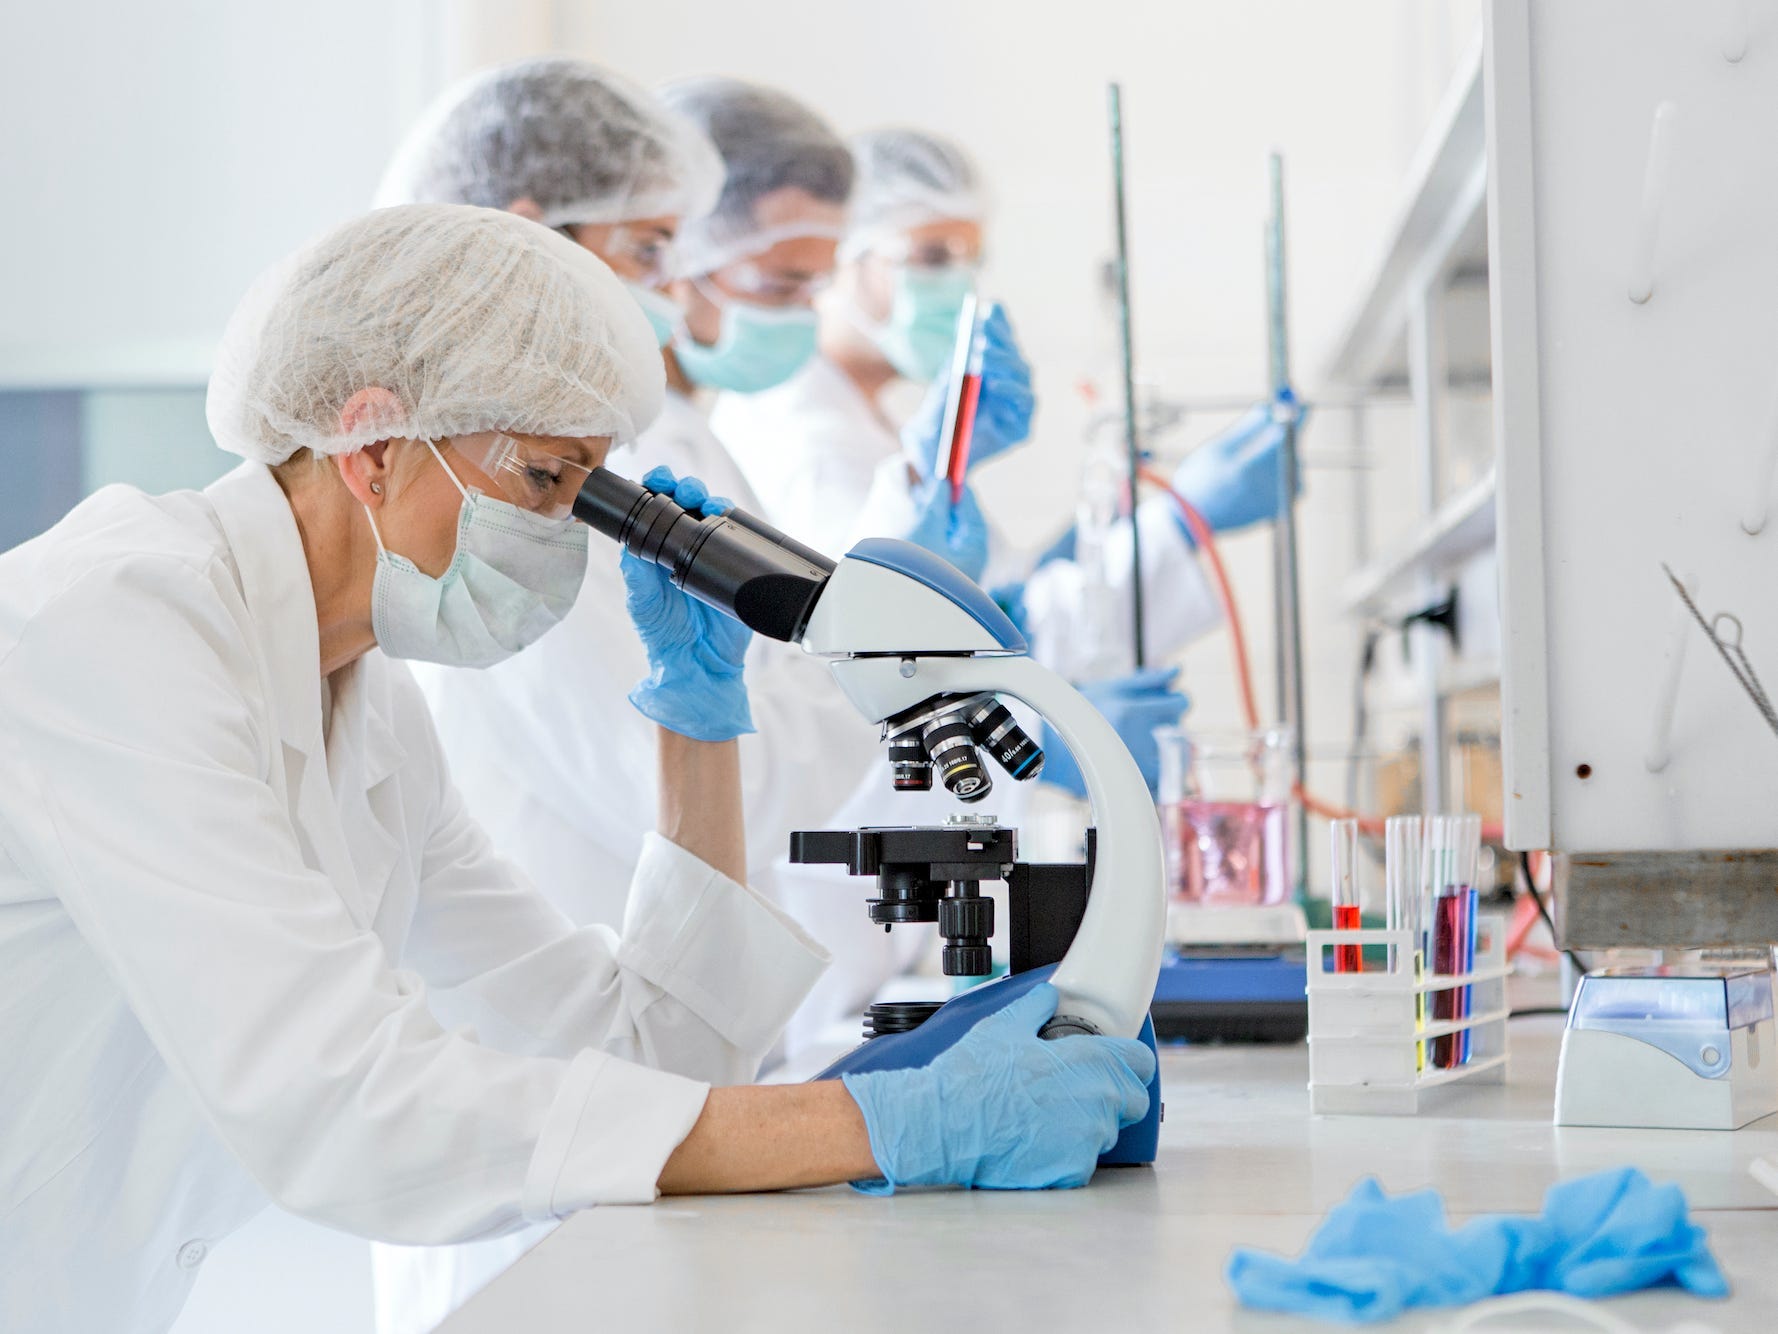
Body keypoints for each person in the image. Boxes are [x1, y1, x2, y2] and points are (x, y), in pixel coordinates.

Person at [0, 204, 1155, 1334]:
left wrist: (697, 719)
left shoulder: (368, 705)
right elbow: (343, 1103)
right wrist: (886, 1123)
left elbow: (649, 1053)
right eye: (549, 481)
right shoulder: (112, 626)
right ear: (374, 443)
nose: (565, 538)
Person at [712, 127, 1299, 778]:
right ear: (844, 257)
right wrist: (1188, 519)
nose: (958, 284)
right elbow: (874, 678)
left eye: (970, 260)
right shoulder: (810, 441)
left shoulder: (870, 420)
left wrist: (1095, 531)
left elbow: (995, 608)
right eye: (932, 257)